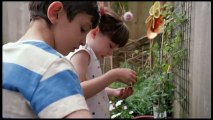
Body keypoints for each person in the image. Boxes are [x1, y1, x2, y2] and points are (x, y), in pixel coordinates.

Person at [3, 1, 100, 118]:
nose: (84, 42)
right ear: (56, 13)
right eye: (82, 29)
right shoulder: (52, 66)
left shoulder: (6, 54)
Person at [66, 7, 137, 118]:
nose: (110, 53)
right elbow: (79, 89)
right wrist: (114, 74)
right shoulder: (82, 53)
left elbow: (91, 87)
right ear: (95, 32)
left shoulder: (91, 55)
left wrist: (112, 92)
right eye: (110, 46)